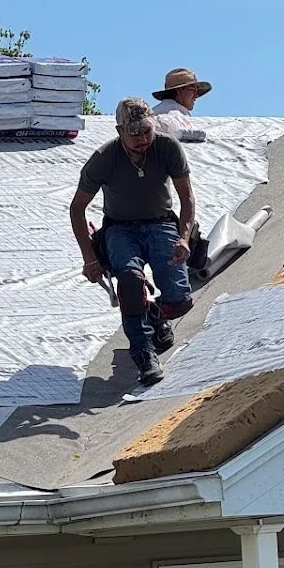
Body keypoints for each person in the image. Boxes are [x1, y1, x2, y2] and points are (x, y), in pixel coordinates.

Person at [70, 97, 196, 386]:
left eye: (147, 131)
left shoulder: (167, 148)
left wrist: (185, 238)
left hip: (161, 222)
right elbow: (77, 208)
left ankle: (154, 312)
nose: (142, 139)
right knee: (129, 281)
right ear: (119, 131)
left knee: (180, 301)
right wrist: (90, 259)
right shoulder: (104, 158)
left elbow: (187, 198)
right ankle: (143, 353)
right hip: (120, 229)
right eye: (134, 133)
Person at [151, 67, 211, 142]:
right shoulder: (174, 114)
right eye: (192, 90)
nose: (196, 95)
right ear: (179, 90)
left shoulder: (157, 110)